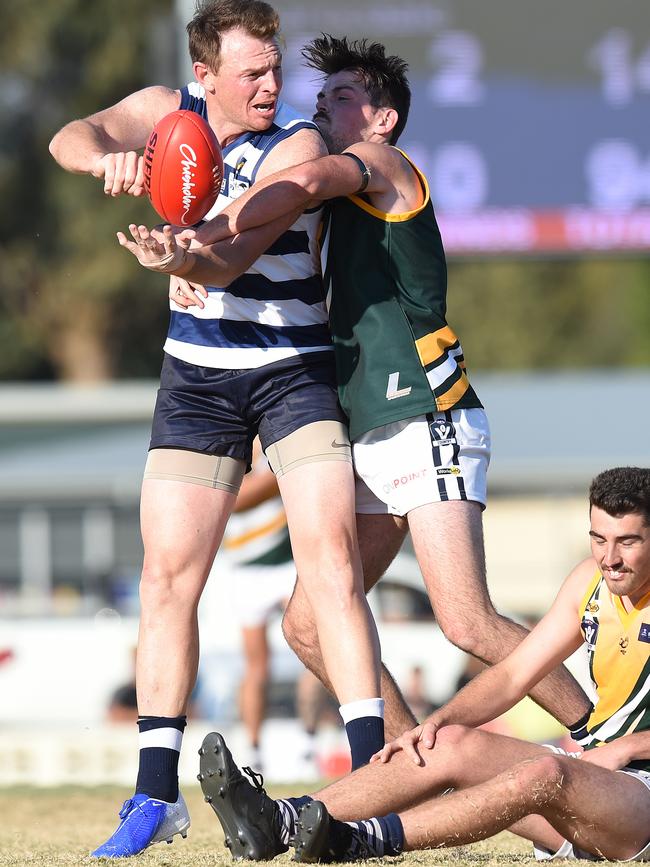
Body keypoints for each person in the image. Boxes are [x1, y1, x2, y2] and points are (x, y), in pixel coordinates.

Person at [123, 35, 590, 736]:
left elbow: (303, 183)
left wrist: (206, 229)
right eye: (321, 97)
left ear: (382, 120)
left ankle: (613, 737)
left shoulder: (383, 165)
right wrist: (199, 266)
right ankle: (412, 782)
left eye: (341, 98)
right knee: (308, 627)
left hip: (423, 414)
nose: (320, 108)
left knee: (465, 618)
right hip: (368, 426)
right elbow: (269, 244)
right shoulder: (340, 200)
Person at [49, 4, 385, 857]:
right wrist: (111, 160)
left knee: (332, 564)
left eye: (275, 69)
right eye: (252, 74)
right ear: (204, 79)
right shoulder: (171, 112)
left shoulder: (298, 150)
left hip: (293, 373)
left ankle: (379, 779)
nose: (272, 86)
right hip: (197, 381)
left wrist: (179, 260)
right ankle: (154, 795)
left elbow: (230, 259)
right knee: (167, 578)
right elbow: (69, 136)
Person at [197, 466, 650, 864]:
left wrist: (627, 748)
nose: (609, 558)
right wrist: (436, 724)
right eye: (599, 539)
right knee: (446, 742)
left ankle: (360, 841)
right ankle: (277, 821)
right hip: (593, 779)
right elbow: (514, 674)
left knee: (547, 772)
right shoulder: (587, 583)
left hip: (636, 803)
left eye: (627, 542)